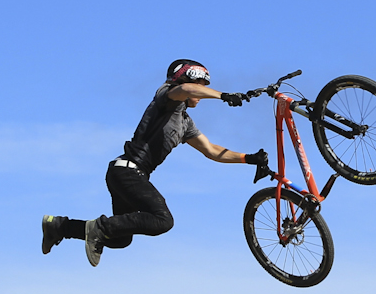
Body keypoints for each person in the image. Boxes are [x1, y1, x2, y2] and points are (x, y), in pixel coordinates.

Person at [42, 59, 267, 266]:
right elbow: (186, 90)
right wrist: (222, 95)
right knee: (162, 220)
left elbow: (212, 150)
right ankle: (98, 227)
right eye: (201, 84)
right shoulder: (166, 97)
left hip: (126, 174)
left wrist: (248, 159)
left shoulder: (185, 123)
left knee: (120, 240)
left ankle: (60, 226)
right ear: (185, 80)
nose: (202, 91)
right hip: (128, 172)